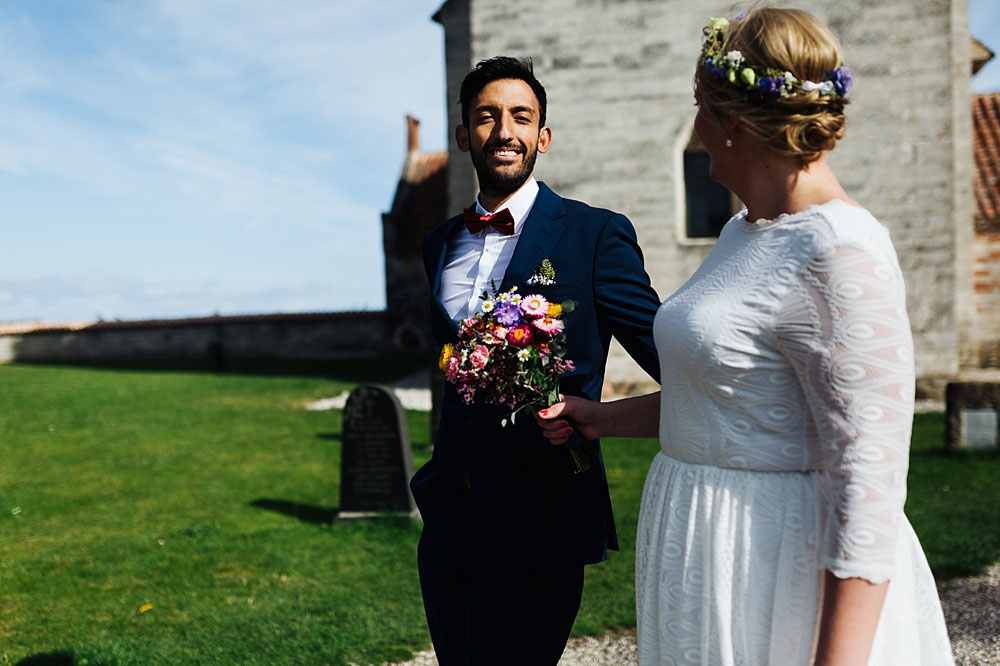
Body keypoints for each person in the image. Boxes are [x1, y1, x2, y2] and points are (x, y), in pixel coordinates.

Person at [537, 8, 955, 665]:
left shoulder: (838, 252)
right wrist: (602, 419)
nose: (694, 125)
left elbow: (868, 493)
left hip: (775, 567)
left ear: (731, 126)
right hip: (706, 549)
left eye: (698, 106)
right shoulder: (744, 232)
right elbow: (729, 394)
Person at [409, 56, 661, 665]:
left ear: (542, 136)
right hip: (450, 515)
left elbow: (675, 358)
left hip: (542, 511)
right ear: (465, 134)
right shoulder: (439, 243)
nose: (505, 131)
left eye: (521, 117)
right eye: (487, 117)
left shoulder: (596, 235)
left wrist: (599, 416)